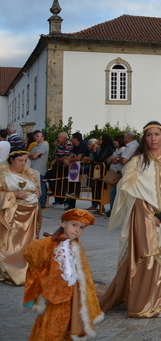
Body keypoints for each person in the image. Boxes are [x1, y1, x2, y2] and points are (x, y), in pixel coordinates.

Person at [100, 121, 161, 318]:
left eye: (157, 134)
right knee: (151, 257)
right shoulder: (138, 162)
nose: (153, 139)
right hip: (147, 217)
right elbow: (131, 193)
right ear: (144, 138)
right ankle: (151, 301)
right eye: (149, 135)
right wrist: (148, 215)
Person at [23, 208, 103, 340]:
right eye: (74, 225)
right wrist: (47, 243)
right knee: (51, 327)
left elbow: (83, 272)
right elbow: (31, 255)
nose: (77, 230)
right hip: (54, 296)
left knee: (68, 325)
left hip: (72, 294)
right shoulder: (51, 243)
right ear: (64, 224)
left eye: (82, 228)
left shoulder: (76, 245)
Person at [1, 151, 43, 285]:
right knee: (11, 243)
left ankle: (28, 268)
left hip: (30, 214)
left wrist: (37, 193)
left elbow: (37, 189)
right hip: (12, 214)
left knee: (28, 243)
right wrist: (14, 193)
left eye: (25, 160)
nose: (23, 163)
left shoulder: (29, 173)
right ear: (11, 159)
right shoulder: (2, 174)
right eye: (20, 160)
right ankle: (9, 270)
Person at [28, 130, 50, 208]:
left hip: (39, 170)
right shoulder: (36, 145)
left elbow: (33, 156)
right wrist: (33, 155)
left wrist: (33, 155)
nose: (35, 137)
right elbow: (29, 154)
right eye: (35, 136)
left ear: (43, 137)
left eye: (38, 136)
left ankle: (42, 203)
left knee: (41, 186)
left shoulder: (43, 145)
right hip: (33, 169)